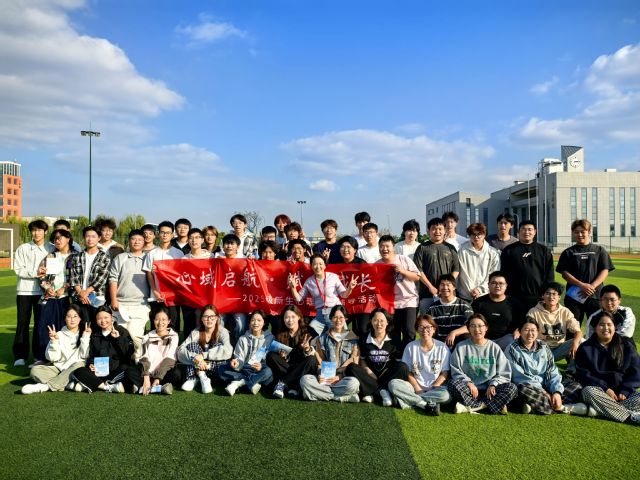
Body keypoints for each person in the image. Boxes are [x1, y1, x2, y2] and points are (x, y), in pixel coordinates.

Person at [505, 319, 582, 415]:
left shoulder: (543, 346)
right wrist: (544, 392)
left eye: (533, 330)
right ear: (520, 331)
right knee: (522, 390)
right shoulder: (512, 349)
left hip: (546, 385)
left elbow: (551, 369)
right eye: (526, 330)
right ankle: (560, 407)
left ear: (538, 332)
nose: (530, 334)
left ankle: (537, 405)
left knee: (576, 386)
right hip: (529, 386)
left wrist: (556, 392)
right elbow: (520, 377)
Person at [575, 311, 640, 424]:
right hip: (599, 391)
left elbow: (636, 371)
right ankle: (630, 417)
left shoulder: (626, 345)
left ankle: (601, 410)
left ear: (615, 327)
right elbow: (584, 374)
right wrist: (605, 389)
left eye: (609, 324)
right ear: (595, 328)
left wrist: (625, 390)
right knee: (588, 392)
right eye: (601, 325)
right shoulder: (585, 348)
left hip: (623, 394)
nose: (606, 328)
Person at [448, 314, 517, 414]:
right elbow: (455, 370)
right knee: (452, 384)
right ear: (468, 329)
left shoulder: (494, 347)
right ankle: (494, 404)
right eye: (473, 326)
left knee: (512, 388)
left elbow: (504, 372)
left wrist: (493, 384)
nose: (477, 329)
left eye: (480, 326)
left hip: (490, 390)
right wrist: (468, 383)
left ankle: (475, 406)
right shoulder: (461, 347)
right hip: (469, 390)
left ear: (486, 328)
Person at [388, 314, 451, 415]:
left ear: (434, 329)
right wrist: (417, 388)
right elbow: (408, 372)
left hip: (435, 388)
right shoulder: (410, 347)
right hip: (414, 387)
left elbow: (445, 372)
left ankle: (405, 401)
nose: (424, 330)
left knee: (446, 396)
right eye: (421, 327)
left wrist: (435, 386)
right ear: (417, 330)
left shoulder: (442, 347)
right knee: (393, 384)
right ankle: (424, 404)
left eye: (428, 327)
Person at [21, 304, 90, 394]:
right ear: (65, 319)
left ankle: (45, 387)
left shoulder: (85, 333)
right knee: (35, 371)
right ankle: (68, 384)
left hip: (76, 370)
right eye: (69, 316)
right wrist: (54, 341)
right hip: (59, 369)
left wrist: (85, 337)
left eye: (75, 316)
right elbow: (53, 358)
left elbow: (85, 355)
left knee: (79, 364)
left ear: (80, 318)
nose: (72, 319)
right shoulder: (58, 334)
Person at [556, 219, 614, 325]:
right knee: (572, 328)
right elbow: (564, 273)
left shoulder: (599, 250)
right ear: (573, 233)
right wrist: (582, 285)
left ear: (589, 232)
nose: (580, 234)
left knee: (597, 326)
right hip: (574, 297)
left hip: (595, 296)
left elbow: (605, 270)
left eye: (583, 231)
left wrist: (591, 286)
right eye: (576, 232)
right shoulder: (568, 252)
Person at [13, 219, 54, 367]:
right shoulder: (23, 248)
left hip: (43, 292)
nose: (36, 233)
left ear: (45, 232)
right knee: (22, 323)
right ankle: (20, 356)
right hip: (24, 291)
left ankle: (38, 356)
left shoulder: (51, 248)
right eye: (34, 230)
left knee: (40, 324)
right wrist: (35, 272)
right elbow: (18, 269)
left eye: (39, 230)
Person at [345, 308, 408, 406]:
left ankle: (372, 391)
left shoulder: (395, 338)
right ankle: (383, 391)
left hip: (387, 375)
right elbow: (362, 360)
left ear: (387, 322)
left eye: (382, 321)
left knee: (403, 366)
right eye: (375, 320)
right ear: (371, 321)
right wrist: (369, 372)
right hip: (370, 375)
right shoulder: (364, 338)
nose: (379, 324)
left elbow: (396, 361)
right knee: (351, 367)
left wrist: (386, 374)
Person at [72, 306, 141, 393]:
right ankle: (107, 387)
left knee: (129, 369)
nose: (103, 321)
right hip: (99, 372)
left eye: (106, 317)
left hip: (116, 370)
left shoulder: (121, 331)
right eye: (99, 318)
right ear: (96, 320)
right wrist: (91, 364)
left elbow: (128, 354)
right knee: (79, 371)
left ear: (111, 317)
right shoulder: (95, 334)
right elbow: (91, 355)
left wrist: (118, 339)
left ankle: (93, 384)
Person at [299, 305, 361, 403]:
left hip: (343, 379)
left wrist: (339, 377)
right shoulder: (322, 338)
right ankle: (337, 397)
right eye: (335, 317)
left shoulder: (353, 339)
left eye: (341, 317)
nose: (338, 320)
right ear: (331, 318)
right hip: (325, 379)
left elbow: (354, 361)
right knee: (305, 380)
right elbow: (319, 360)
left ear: (346, 319)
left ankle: (319, 394)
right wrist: (320, 374)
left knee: (354, 383)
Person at [34, 228, 75, 363]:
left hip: (67, 298)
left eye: (59, 238)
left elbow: (78, 277)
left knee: (66, 327)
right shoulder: (50, 257)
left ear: (68, 239)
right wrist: (47, 288)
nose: (57, 241)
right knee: (45, 327)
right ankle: (43, 358)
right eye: (55, 239)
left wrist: (64, 288)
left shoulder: (76, 256)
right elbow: (41, 275)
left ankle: (65, 358)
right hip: (50, 297)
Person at [108, 229, 150, 359]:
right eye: (133, 239)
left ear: (144, 242)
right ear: (129, 241)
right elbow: (113, 279)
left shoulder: (148, 258)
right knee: (119, 335)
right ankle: (122, 362)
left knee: (135, 335)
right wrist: (114, 300)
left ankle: (137, 360)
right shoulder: (121, 258)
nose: (136, 242)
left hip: (141, 305)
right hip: (121, 304)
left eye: (140, 239)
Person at [289, 253, 357, 334]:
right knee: (311, 333)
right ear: (311, 266)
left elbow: (344, 295)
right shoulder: (309, 281)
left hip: (335, 312)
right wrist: (293, 288)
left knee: (340, 337)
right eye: (315, 264)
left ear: (325, 265)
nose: (318, 267)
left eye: (320, 264)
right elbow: (299, 299)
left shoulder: (333, 277)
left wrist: (350, 288)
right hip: (319, 315)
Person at [376, 235, 420, 350]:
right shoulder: (377, 265)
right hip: (389, 303)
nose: (384, 249)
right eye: (381, 246)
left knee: (409, 330)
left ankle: (408, 354)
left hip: (408, 300)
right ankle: (396, 355)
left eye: (387, 246)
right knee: (392, 331)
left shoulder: (403, 259)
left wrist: (402, 271)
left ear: (393, 247)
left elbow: (417, 277)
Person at [266, 305, 318, 399]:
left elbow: (316, 353)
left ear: (299, 317)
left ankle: (282, 383)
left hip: (303, 365)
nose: (290, 320)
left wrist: (307, 349)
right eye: (286, 317)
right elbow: (279, 357)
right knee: (271, 355)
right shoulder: (280, 333)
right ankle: (294, 385)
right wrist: (283, 356)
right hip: (287, 366)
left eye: (293, 317)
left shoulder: (309, 331)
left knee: (311, 359)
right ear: (283, 319)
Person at [500, 220, 554, 310]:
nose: (526, 232)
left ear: (535, 232)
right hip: (514, 297)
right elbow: (503, 273)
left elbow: (550, 275)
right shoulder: (509, 250)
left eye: (529, 229)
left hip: (538, 296)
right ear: (518, 232)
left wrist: (547, 293)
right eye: (523, 229)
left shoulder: (544, 251)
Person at [219, 310, 274, 396]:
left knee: (268, 372)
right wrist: (236, 363)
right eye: (253, 320)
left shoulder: (270, 338)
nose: (255, 323)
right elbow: (239, 358)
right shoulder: (243, 338)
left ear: (264, 322)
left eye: (259, 320)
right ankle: (252, 383)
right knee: (221, 369)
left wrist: (261, 366)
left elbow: (270, 357)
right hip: (244, 368)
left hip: (260, 369)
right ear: (249, 322)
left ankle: (239, 383)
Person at [178, 305, 232, 393]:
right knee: (192, 345)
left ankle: (197, 375)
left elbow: (228, 350)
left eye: (212, 317)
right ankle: (200, 377)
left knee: (219, 346)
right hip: (198, 364)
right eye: (206, 316)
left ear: (217, 318)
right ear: (202, 319)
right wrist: (195, 358)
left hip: (213, 369)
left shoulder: (222, 331)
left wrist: (203, 356)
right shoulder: (196, 332)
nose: (209, 319)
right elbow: (180, 350)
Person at [143, 220, 184, 332]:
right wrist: (155, 291)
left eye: (168, 232)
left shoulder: (178, 254)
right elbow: (149, 274)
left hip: (173, 296)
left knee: (173, 324)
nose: (165, 235)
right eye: (162, 232)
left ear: (172, 234)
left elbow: (181, 274)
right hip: (156, 296)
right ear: (158, 234)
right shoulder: (152, 253)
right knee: (156, 324)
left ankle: (173, 343)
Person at [526, 282, 583, 362]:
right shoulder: (533, 312)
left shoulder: (565, 312)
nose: (551, 297)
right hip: (540, 350)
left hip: (558, 349)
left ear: (559, 297)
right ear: (543, 296)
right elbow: (527, 332)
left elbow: (578, 331)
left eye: (554, 294)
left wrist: (575, 343)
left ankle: (572, 368)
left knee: (581, 341)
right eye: (548, 293)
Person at [413, 217, 460, 313]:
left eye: (440, 229)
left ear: (445, 231)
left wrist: (447, 285)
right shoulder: (422, 248)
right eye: (434, 229)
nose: (437, 231)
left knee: (447, 319)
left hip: (447, 293)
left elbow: (456, 269)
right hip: (427, 293)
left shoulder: (450, 248)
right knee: (427, 319)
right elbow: (418, 269)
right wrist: (430, 287)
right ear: (429, 231)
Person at [471, 271, 527, 350]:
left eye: (501, 283)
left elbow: (523, 322)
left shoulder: (514, 304)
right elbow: (471, 323)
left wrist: (518, 331)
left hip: (506, 339)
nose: (497, 286)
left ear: (506, 286)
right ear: (488, 285)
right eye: (494, 283)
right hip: (483, 339)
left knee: (514, 341)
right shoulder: (478, 303)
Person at [69, 225, 111, 329]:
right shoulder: (76, 257)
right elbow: (73, 277)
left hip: (97, 298)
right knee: (81, 327)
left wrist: (87, 292)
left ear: (99, 238)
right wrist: (81, 293)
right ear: (84, 238)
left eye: (93, 236)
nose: (90, 239)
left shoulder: (105, 257)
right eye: (87, 236)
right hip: (79, 298)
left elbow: (102, 279)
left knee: (97, 327)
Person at [139, 307, 180, 395]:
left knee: (176, 374)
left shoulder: (174, 336)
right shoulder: (147, 337)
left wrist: (158, 378)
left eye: (164, 319)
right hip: (149, 372)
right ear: (153, 321)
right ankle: (160, 388)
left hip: (163, 373)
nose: (160, 323)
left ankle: (143, 386)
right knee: (131, 370)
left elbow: (170, 358)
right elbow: (144, 357)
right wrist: (146, 377)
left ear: (169, 321)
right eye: (157, 319)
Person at [456, 223, 500, 302]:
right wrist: (472, 290)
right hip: (465, 295)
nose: (476, 237)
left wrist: (479, 289)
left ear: (484, 235)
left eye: (479, 234)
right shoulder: (462, 251)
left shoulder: (493, 252)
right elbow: (463, 274)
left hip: (486, 294)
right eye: (473, 234)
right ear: (469, 235)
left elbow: (494, 273)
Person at [426, 274, 474, 348]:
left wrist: (454, 333)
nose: (445, 287)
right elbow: (427, 326)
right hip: (439, 345)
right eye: (442, 285)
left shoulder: (464, 305)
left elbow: (471, 325)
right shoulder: (433, 308)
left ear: (454, 287)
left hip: (460, 344)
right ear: (439, 287)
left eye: (448, 285)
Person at [219, 234, 247, 344]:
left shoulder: (244, 261)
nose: (229, 246)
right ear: (223, 246)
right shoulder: (217, 260)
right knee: (218, 322)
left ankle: (238, 344)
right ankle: (221, 344)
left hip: (238, 300)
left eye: (232, 243)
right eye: (227, 243)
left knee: (241, 324)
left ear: (238, 246)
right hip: (221, 299)